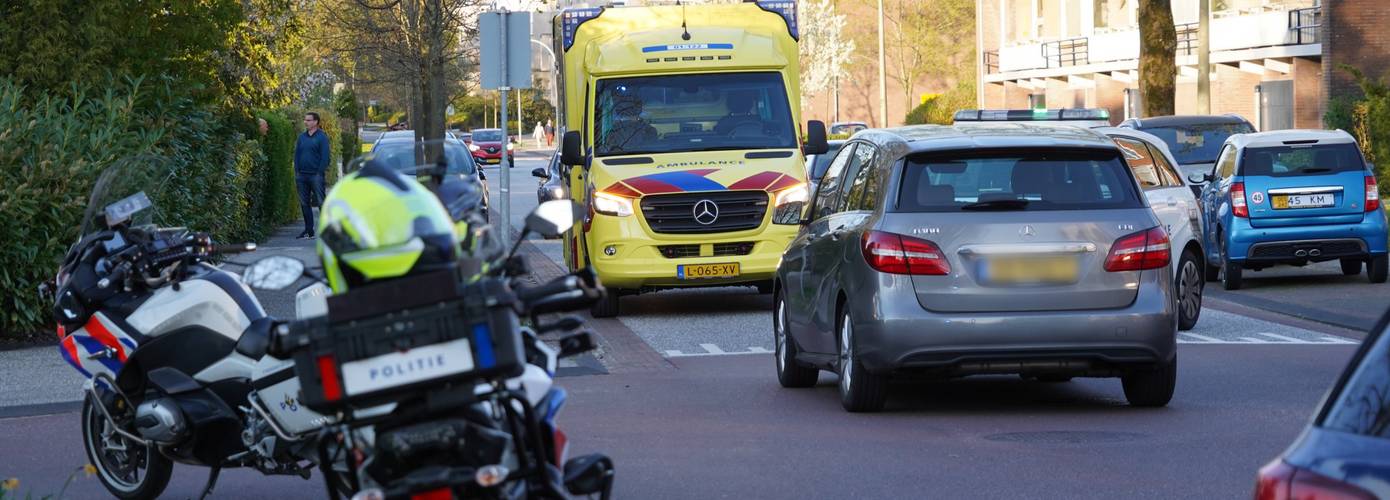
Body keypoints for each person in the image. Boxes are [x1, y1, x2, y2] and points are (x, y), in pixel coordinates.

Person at [294, 112, 331, 239]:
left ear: (316, 122)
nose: (306, 122)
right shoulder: (301, 137)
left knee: (321, 203)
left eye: (308, 120)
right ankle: (309, 230)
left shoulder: (322, 137)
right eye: (305, 120)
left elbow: (326, 157)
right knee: (304, 204)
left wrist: (319, 172)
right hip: (302, 176)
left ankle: (329, 231)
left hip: (316, 176)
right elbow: (297, 155)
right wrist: (297, 171)